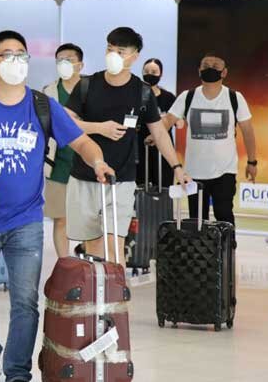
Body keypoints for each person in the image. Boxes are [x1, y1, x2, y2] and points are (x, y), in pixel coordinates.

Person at [0, 30, 113, 382]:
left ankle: (17, 376)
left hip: (26, 221)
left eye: (22, 54)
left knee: (25, 301)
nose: (17, 61)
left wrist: (97, 160)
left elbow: (81, 140)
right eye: (8, 54)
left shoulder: (42, 106)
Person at [65, 27, 190, 264]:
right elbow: (65, 122)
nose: (112, 55)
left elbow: (159, 133)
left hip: (121, 178)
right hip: (84, 176)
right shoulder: (87, 85)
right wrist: (98, 128)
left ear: (135, 56)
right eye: (109, 49)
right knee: (93, 247)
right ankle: (97, 286)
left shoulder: (142, 92)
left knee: (115, 244)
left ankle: (117, 286)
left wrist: (177, 167)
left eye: (120, 51)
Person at [162, 52, 257, 233]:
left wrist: (252, 162)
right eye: (206, 66)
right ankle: (199, 252)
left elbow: (248, 131)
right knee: (196, 222)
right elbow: (168, 121)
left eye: (215, 67)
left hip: (225, 171)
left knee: (224, 216)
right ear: (199, 71)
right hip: (193, 173)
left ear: (224, 72)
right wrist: (154, 134)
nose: (210, 69)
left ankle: (227, 248)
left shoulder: (235, 98)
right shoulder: (187, 96)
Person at [42, 43, 85, 258]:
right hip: (58, 164)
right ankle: (64, 262)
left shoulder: (91, 89)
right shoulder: (48, 92)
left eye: (69, 59)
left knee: (89, 219)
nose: (63, 64)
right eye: (59, 60)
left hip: (86, 163)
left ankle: (87, 260)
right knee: (61, 218)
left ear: (80, 64)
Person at [138, 58, 176, 188]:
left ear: (161, 74)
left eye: (154, 72)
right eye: (146, 71)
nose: (150, 74)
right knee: (140, 186)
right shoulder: (136, 94)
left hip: (163, 149)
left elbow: (179, 122)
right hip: (140, 147)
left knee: (163, 185)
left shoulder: (168, 97)